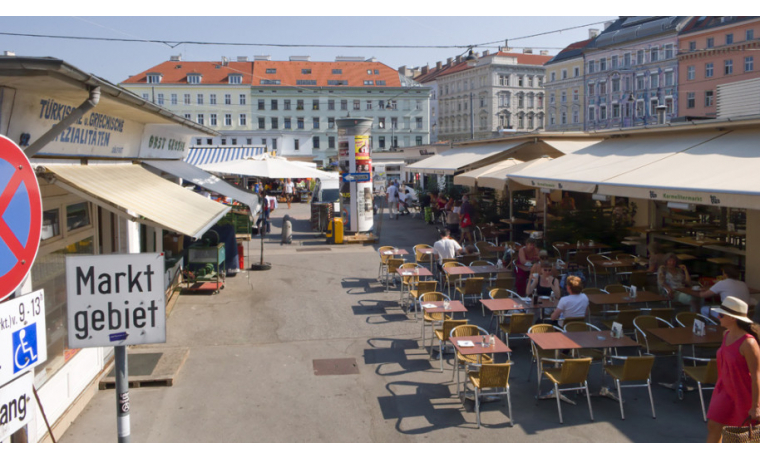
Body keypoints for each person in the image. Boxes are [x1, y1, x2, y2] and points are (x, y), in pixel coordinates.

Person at [706, 296, 760, 443]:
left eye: (721, 315)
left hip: (743, 392)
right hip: (723, 390)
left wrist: (756, 406)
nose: (718, 317)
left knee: (741, 436)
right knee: (713, 426)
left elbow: (756, 376)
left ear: (732, 318)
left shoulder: (749, 343)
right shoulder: (726, 334)